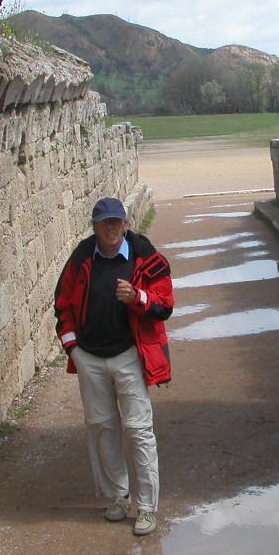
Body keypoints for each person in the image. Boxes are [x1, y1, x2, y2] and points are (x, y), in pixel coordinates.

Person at [53, 197, 173, 536]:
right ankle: (119, 496)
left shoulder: (146, 258)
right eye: (104, 222)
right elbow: (62, 307)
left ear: (125, 223)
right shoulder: (81, 259)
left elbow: (165, 306)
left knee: (138, 429)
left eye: (116, 222)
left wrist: (137, 298)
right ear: (94, 227)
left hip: (128, 355)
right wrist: (74, 350)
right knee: (103, 427)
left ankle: (147, 508)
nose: (111, 228)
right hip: (90, 358)